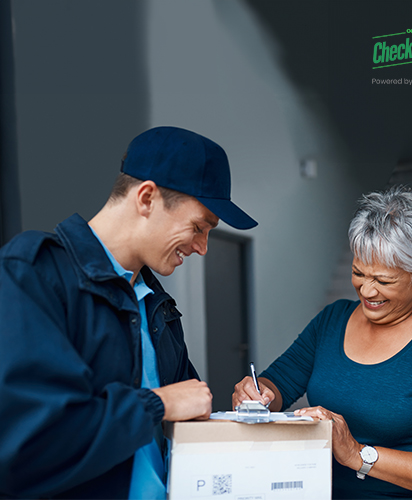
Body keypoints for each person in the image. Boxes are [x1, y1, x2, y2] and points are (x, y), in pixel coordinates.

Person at [0, 126, 257, 499]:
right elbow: (28, 445)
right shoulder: (32, 273)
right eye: (199, 227)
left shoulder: (157, 304)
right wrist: (158, 403)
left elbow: (185, 418)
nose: (202, 247)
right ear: (147, 197)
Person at [233, 185, 412, 499]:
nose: (366, 291)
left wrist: (357, 454)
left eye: (383, 280)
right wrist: (260, 394)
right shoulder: (333, 320)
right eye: (358, 273)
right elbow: (279, 384)